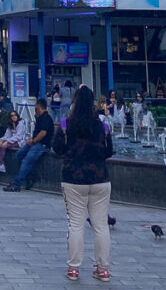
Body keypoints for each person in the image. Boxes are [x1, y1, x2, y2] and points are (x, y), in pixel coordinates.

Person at [52, 85, 113, 283]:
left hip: (73, 179)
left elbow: (58, 149)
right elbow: (109, 151)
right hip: (100, 179)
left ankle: (73, 269)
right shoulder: (103, 126)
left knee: (76, 225)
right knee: (101, 225)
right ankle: (103, 269)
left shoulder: (65, 124)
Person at [4, 99, 54, 191]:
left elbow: (43, 133)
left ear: (39, 106)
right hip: (34, 143)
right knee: (19, 155)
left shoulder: (46, 118)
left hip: (42, 144)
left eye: (35, 105)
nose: (34, 107)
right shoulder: (39, 117)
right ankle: (29, 177)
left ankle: (17, 184)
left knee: (26, 161)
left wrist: (34, 141)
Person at [0, 109, 27, 174]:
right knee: (0, 144)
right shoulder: (10, 125)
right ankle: (1, 164)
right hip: (12, 140)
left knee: (4, 145)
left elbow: (18, 137)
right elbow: (7, 135)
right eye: (12, 116)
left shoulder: (20, 124)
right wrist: (2, 140)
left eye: (15, 115)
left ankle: (0, 163)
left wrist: (7, 141)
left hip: (20, 142)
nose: (14, 117)